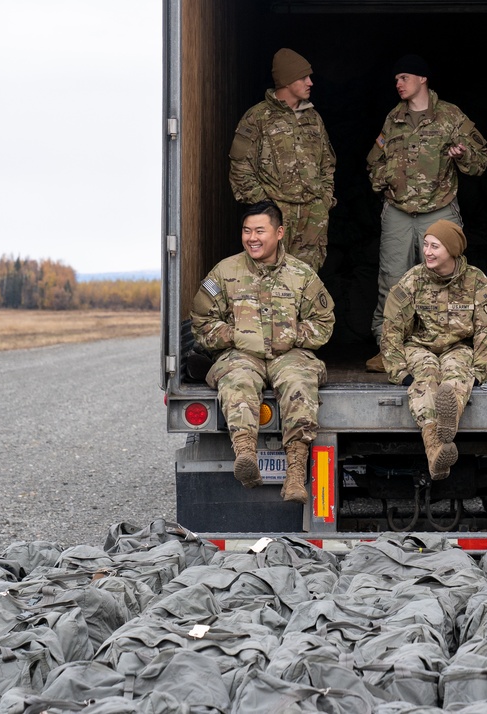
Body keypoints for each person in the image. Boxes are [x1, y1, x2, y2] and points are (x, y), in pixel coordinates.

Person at [190, 201, 335, 503]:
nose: (252, 238)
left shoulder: (301, 275)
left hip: (289, 354)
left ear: (279, 233)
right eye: (246, 231)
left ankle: (295, 473)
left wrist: (293, 335)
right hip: (241, 354)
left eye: (259, 231)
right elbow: (202, 322)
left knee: (299, 383)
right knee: (237, 380)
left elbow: (324, 321)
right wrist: (235, 335)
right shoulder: (224, 273)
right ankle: (245, 455)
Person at [365, 54, 487, 372]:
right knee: (393, 281)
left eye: (404, 77)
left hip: (439, 210)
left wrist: (462, 156)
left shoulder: (450, 116)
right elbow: (374, 161)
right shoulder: (393, 118)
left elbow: (481, 160)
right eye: (396, 79)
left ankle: (448, 346)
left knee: (444, 278)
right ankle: (388, 350)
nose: (398, 84)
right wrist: (387, 181)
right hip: (398, 212)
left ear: (422, 78)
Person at [381, 219, 487, 480]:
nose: (427, 252)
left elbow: (486, 331)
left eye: (435, 246)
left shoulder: (476, 281)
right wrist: (398, 371)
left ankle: (443, 429)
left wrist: (480, 371)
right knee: (426, 375)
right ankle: (436, 446)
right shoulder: (413, 279)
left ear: (452, 251)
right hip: (419, 346)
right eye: (425, 245)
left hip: (458, 347)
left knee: (456, 374)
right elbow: (391, 328)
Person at [229, 48, 336, 273]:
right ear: (287, 81)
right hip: (276, 218)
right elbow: (240, 168)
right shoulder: (257, 117)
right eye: (304, 77)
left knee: (306, 283)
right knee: (269, 283)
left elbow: (327, 163)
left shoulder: (313, 118)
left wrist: (323, 201)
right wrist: (267, 209)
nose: (310, 82)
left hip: (311, 219)